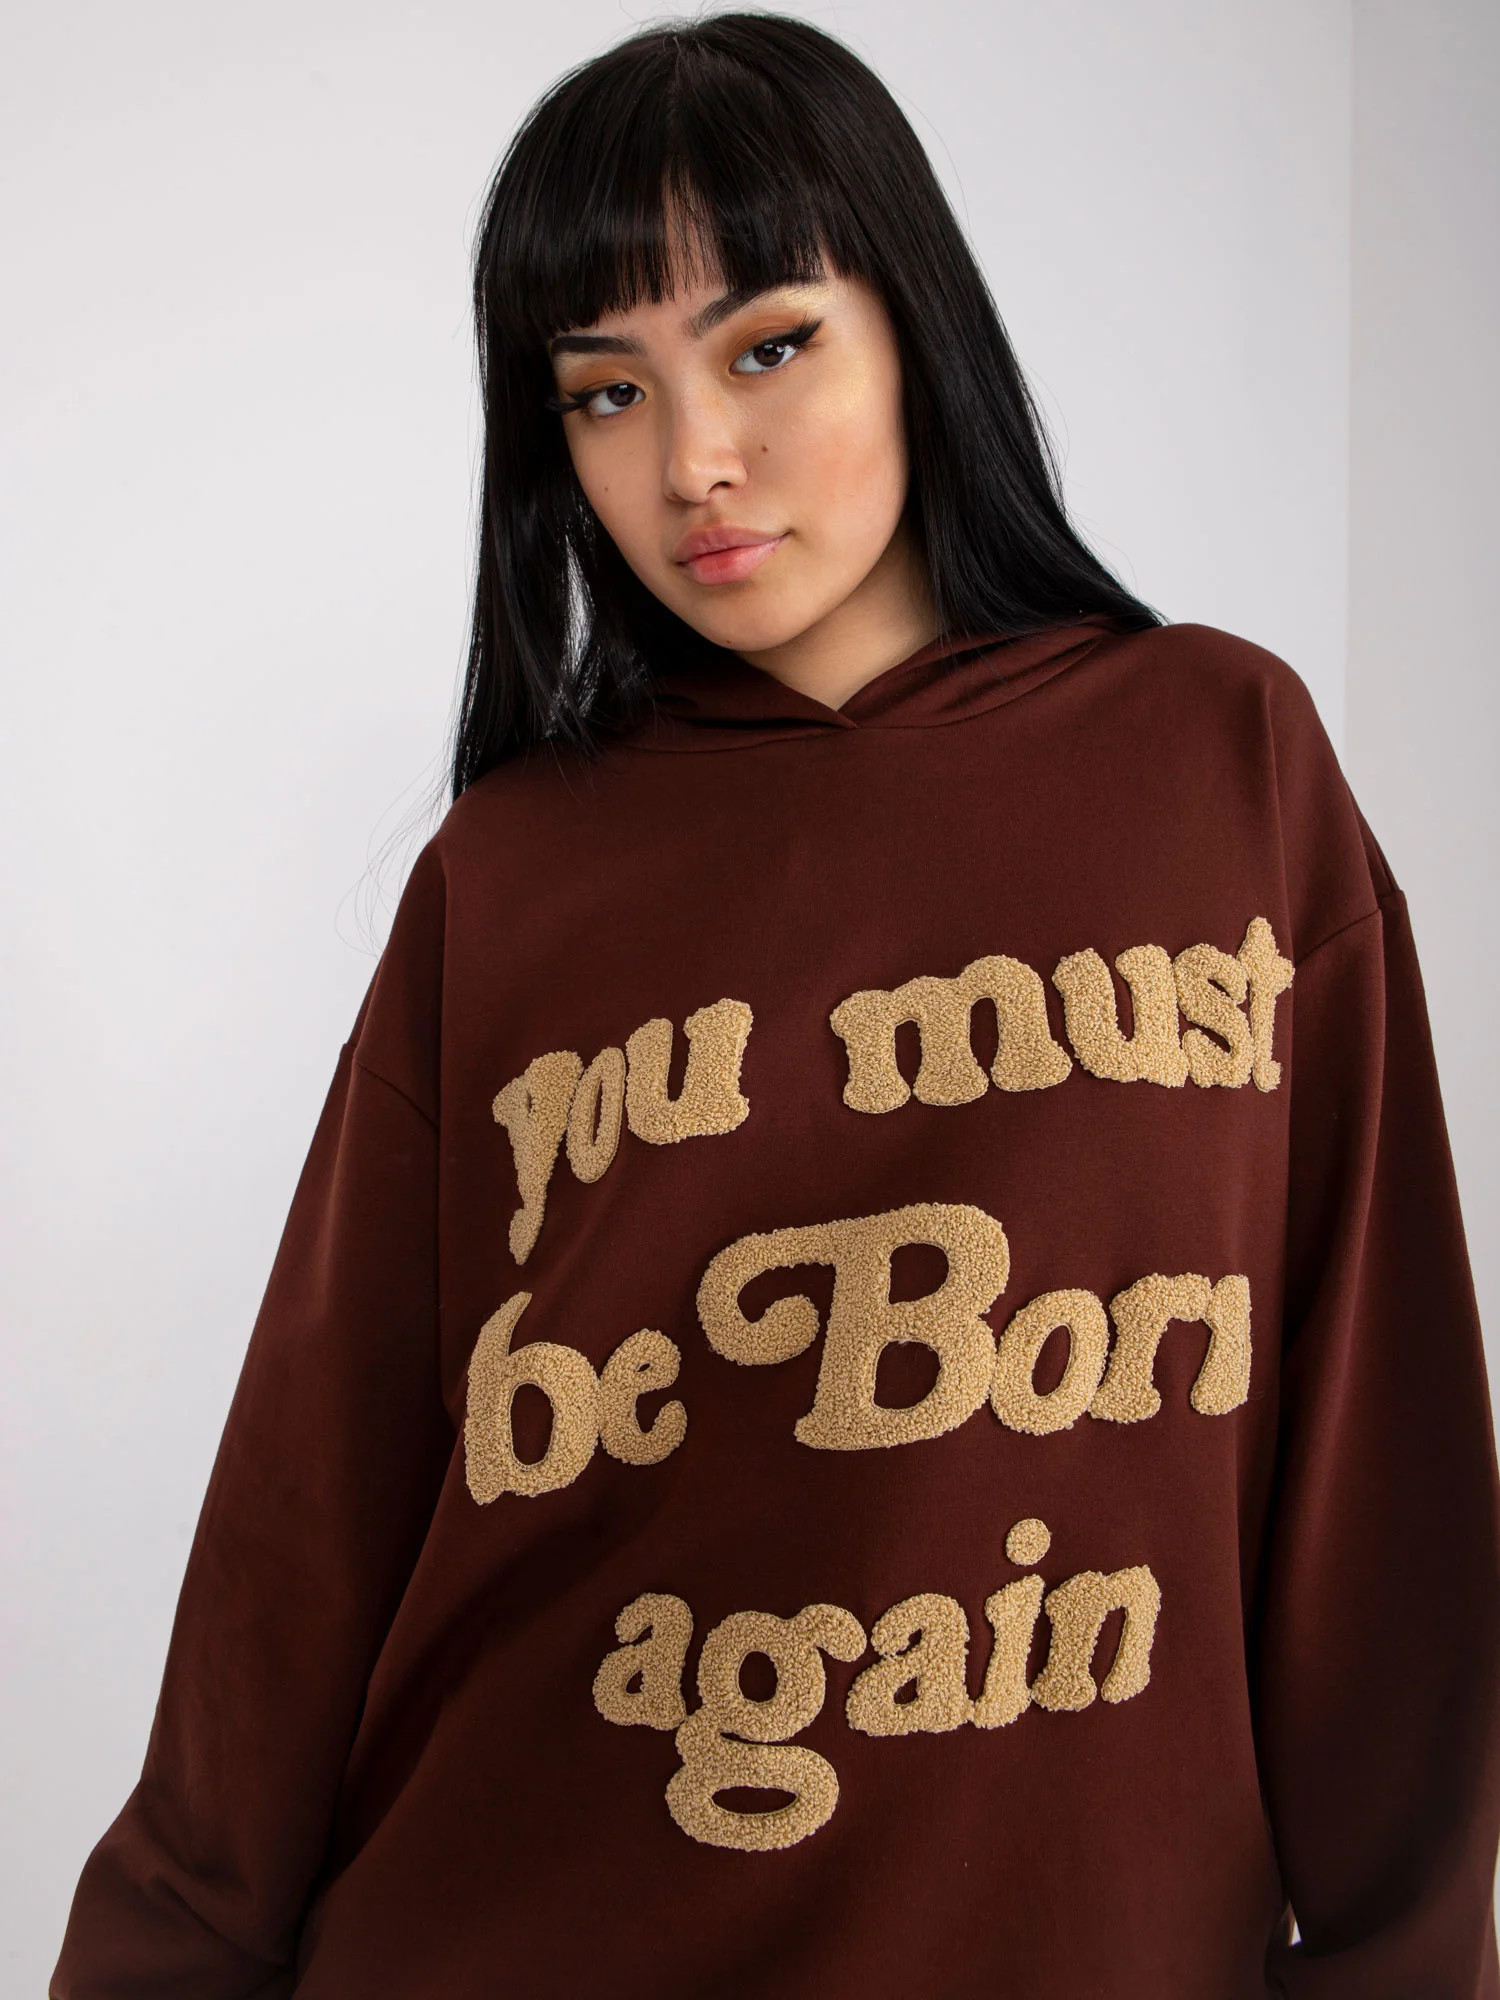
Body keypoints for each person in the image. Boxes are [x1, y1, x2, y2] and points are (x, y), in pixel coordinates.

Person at [51, 13, 1500, 1997]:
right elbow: (306, 1522)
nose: (691, 464)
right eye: (604, 391)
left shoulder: (1222, 764)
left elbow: (1381, 1468)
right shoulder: (511, 874)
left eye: (765, 347)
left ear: (914, 323)